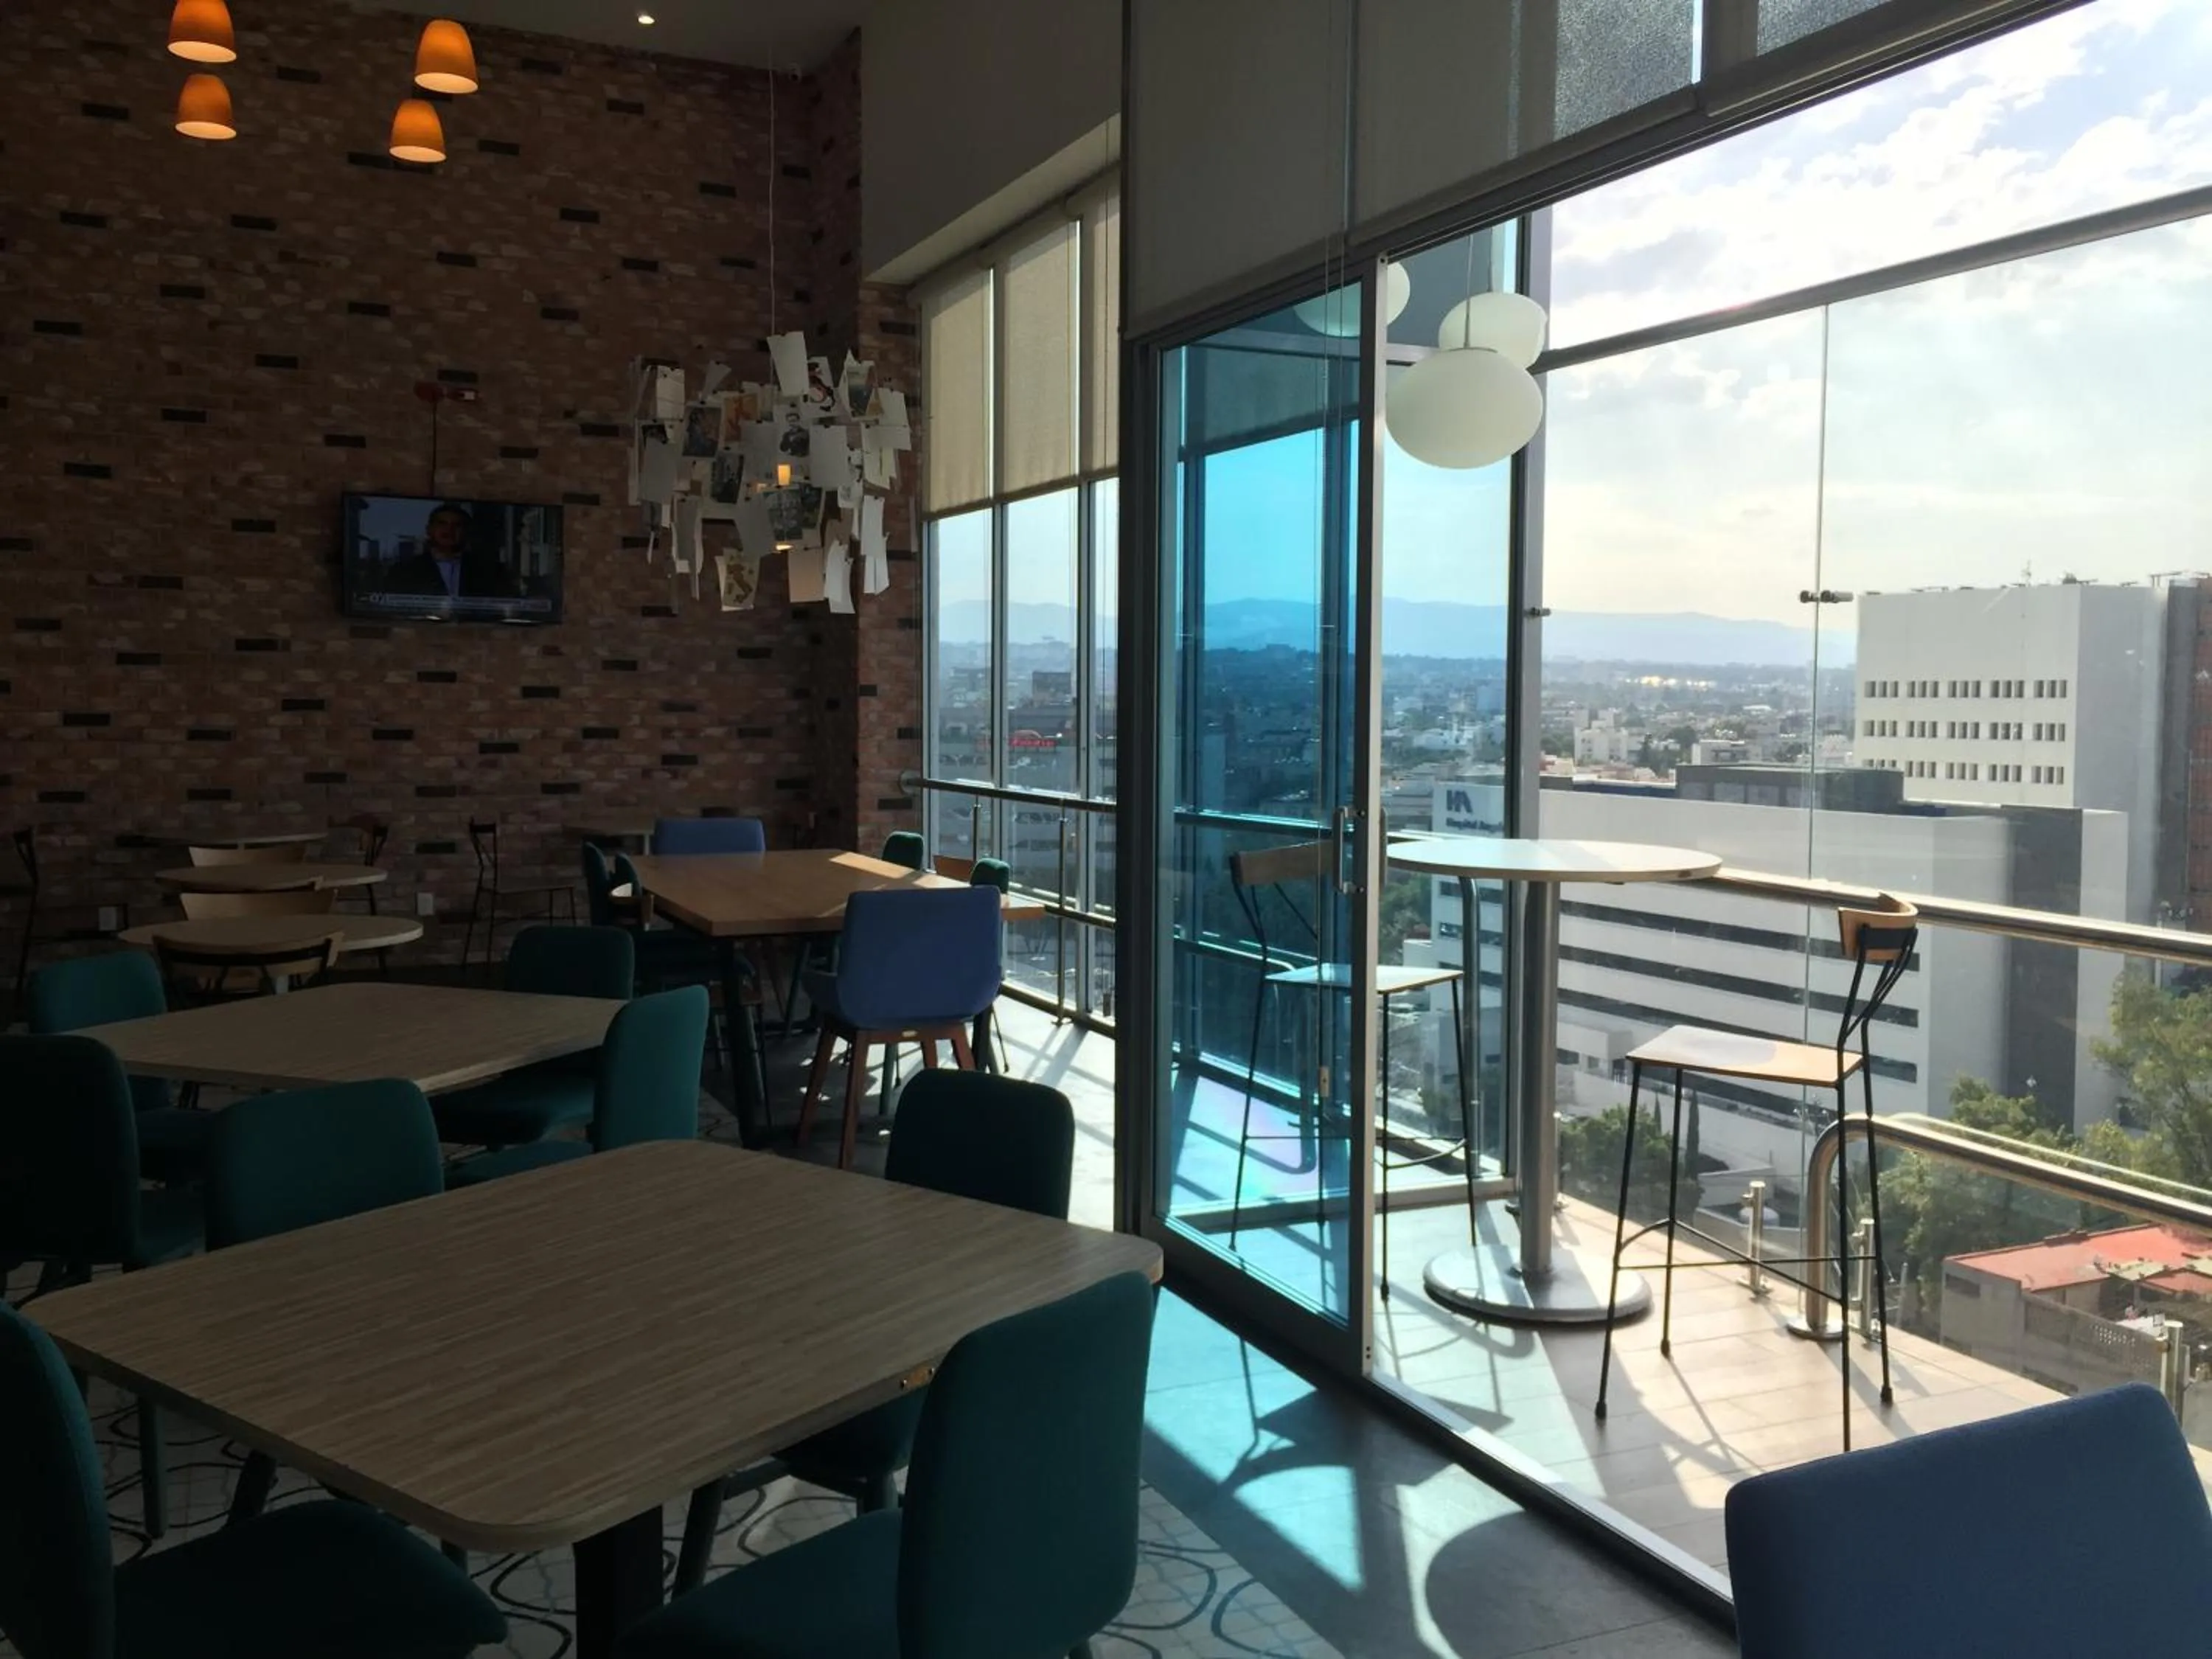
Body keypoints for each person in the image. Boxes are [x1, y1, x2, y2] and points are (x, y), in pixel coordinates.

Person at [380, 503, 509, 600]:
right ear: (429, 530)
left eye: (457, 525)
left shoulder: (490, 572)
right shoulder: (403, 572)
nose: (449, 530)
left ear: (467, 532)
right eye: (442, 524)